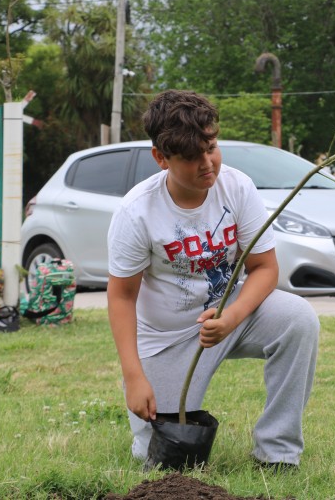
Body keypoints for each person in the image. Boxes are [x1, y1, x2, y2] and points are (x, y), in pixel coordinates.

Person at [106, 89, 320, 468]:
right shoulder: (137, 212)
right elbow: (122, 297)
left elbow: (265, 268)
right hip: (166, 340)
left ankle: (277, 452)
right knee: (159, 461)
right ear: (161, 158)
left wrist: (231, 317)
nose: (208, 164)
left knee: (298, 319)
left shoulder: (237, 187)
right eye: (191, 157)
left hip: (227, 316)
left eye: (212, 148)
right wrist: (134, 377)